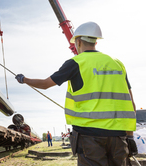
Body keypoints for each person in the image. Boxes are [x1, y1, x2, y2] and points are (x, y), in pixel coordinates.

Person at [15, 22, 137, 166]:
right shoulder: (117, 64)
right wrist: (130, 137)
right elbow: (131, 103)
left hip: (89, 138)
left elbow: (45, 84)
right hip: (118, 137)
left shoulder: (76, 63)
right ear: (96, 41)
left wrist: (24, 79)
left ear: (78, 42)